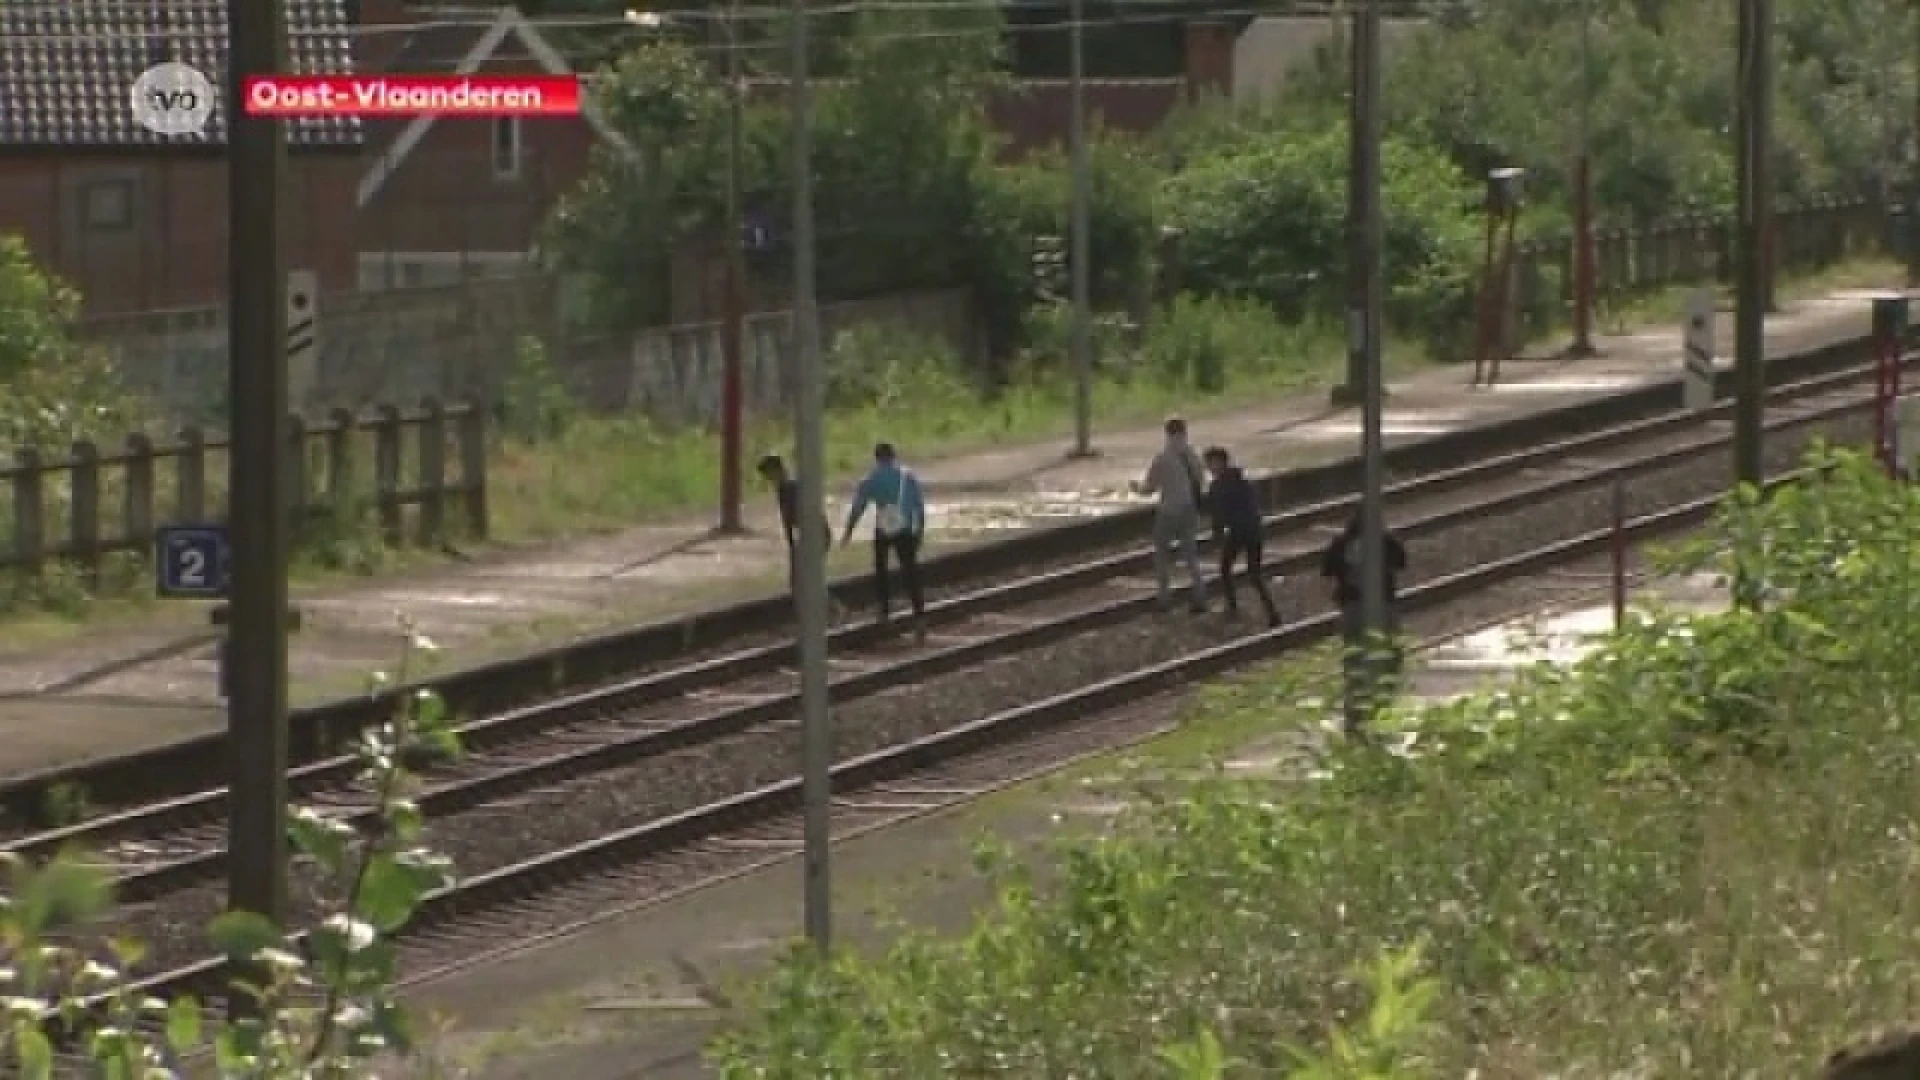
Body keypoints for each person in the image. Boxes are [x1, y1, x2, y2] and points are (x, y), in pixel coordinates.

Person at [1319, 508, 1409, 734]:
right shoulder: (1384, 542)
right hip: (1382, 608)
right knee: (1389, 657)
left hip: (1352, 609)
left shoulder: (1343, 543)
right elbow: (1402, 560)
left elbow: (1326, 569)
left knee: (1354, 663)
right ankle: (1382, 712)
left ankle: (1354, 718)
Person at [842, 442, 928, 642]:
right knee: (910, 573)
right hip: (905, 529)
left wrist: (848, 531)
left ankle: (885, 612)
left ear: (876, 458)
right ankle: (919, 617)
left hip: (883, 529)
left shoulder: (870, 479)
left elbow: (858, 507)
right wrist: (919, 531)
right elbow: (919, 507)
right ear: (893, 456)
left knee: (881, 570)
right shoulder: (908, 477)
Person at [1131, 416, 1208, 614]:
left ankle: (1164, 598)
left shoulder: (1162, 458)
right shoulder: (1194, 456)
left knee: (1162, 556)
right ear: (1185, 431)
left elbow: (1149, 488)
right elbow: (1201, 482)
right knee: (1191, 555)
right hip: (1189, 510)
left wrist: (1136, 488)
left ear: (1167, 433)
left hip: (1168, 512)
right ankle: (1200, 595)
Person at [1202, 447, 1281, 628]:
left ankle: (1233, 608)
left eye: (1211, 462)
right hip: (1254, 530)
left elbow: (1218, 515)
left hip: (1239, 532)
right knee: (1254, 574)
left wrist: (1217, 536)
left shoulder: (1218, 486)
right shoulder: (1242, 480)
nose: (1209, 467)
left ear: (1220, 462)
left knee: (1226, 568)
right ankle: (1272, 613)